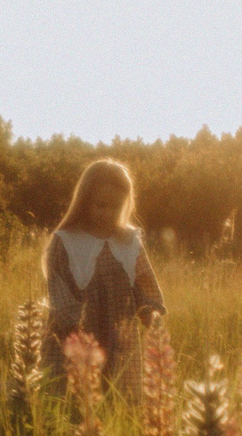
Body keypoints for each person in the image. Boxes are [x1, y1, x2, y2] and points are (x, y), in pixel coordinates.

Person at [43, 158, 165, 368]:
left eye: (115, 207)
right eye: (101, 205)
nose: (107, 213)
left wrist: (149, 312)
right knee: (75, 392)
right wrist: (74, 327)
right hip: (75, 340)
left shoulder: (129, 241)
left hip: (120, 340)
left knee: (118, 392)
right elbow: (58, 291)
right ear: (85, 201)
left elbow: (144, 282)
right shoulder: (67, 241)